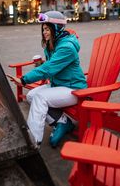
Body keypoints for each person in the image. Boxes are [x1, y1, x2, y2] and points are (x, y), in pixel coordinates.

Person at [8, 10, 87, 148]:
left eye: (47, 28)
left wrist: (24, 79)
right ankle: (62, 122)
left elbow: (49, 69)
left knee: (40, 98)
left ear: (56, 28)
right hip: (59, 84)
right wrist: (42, 64)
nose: (44, 32)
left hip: (74, 88)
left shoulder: (66, 47)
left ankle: (33, 141)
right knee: (31, 96)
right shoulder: (53, 44)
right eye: (43, 29)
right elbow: (51, 66)